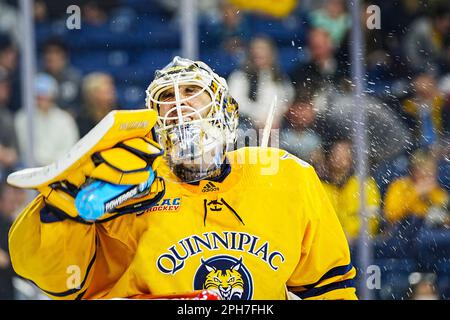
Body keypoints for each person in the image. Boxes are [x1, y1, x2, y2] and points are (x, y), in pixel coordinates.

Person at [8, 57, 357, 300]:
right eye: (165, 101)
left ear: (225, 111)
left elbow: (330, 289)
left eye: (191, 93)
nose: (178, 106)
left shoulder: (284, 175)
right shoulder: (126, 185)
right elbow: (60, 282)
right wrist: (65, 210)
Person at [14, 73, 80, 166]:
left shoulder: (65, 119)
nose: (43, 101)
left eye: (46, 97)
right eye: (39, 98)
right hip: (30, 169)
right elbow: (23, 148)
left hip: (59, 169)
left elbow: (70, 148)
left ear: (53, 97)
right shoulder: (22, 118)